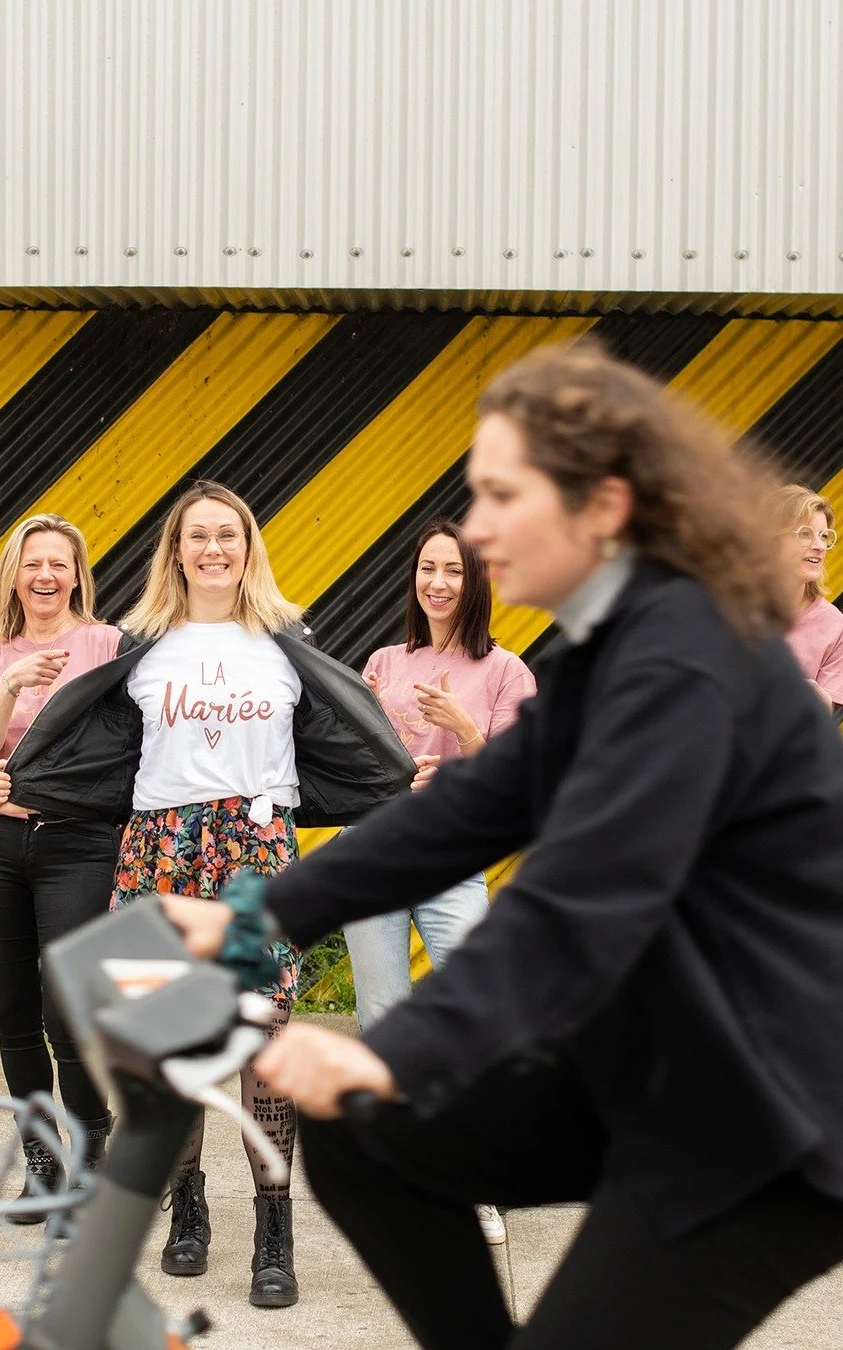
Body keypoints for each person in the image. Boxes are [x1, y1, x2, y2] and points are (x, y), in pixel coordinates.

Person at [164, 341, 843, 1349]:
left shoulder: (686, 658)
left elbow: (576, 905)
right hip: (680, 1062)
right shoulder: (611, 641)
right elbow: (472, 804)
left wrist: (393, 1050)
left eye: (498, 494)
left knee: (373, 1099)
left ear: (602, 506)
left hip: (783, 1111)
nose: (474, 526)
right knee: (367, 1141)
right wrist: (253, 919)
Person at [0, 480, 414, 1309]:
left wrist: (394, 779)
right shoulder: (142, 643)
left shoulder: (286, 640)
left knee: (261, 1042)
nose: (213, 550)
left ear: (248, 546)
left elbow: (346, 741)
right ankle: (189, 1212)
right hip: (158, 849)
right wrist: (32, 783)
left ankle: (274, 1227)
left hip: (256, 852)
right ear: (174, 552)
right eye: (197, 537)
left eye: (227, 535)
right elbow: (95, 749)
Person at [349, 517, 534, 1246]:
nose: (438, 582)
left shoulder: (506, 672)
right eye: (428, 568)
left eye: (453, 570)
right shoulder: (383, 663)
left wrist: (463, 731)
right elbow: (356, 763)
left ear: (475, 581)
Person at [0, 515, 122, 1215]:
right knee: (14, 1013)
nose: (46, 576)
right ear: (14, 577)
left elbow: (124, 748)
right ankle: (41, 1159)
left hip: (79, 844)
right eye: (33, 564)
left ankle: (89, 1145)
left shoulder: (109, 645)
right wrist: (11, 685)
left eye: (59, 563)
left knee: (68, 1009)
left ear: (77, 574)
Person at [775, 484, 843, 710]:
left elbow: (820, 723)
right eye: (805, 534)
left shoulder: (836, 629)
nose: (819, 546)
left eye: (824, 536)